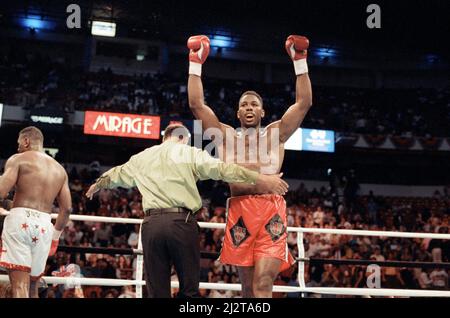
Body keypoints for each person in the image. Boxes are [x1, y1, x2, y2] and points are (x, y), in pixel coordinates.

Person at [85, 123, 288, 298]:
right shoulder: (188, 152)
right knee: (189, 290)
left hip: (151, 225)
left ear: (165, 137)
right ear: (182, 138)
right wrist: (261, 178)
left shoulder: (141, 157)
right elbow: (224, 170)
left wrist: (99, 183)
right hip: (181, 223)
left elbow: (117, 174)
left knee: (156, 290)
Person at [187, 34, 313, 297]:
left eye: (254, 104)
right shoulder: (225, 137)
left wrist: (300, 61)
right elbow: (197, 105)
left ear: (262, 112)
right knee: (247, 288)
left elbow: (303, 103)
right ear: (237, 113)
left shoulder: (276, 134)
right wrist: (195, 64)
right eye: (243, 104)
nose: (248, 107)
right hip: (240, 213)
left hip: (271, 213)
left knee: (264, 283)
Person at [0, 126, 72, 298]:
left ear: (26, 141)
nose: (18, 148)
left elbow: (1, 192)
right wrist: (55, 238)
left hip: (20, 223)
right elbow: (67, 209)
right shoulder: (60, 170)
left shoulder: (18, 159)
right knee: (33, 286)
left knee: (19, 285)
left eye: (19, 143)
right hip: (45, 227)